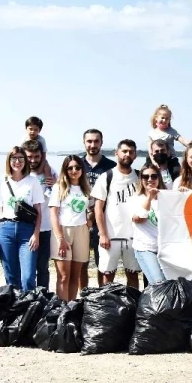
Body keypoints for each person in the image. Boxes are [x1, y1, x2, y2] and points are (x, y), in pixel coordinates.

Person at [0, 146, 45, 291]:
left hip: (27, 230)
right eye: (14, 158)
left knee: (28, 276)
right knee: (11, 276)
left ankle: (29, 306)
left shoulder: (32, 182)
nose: (17, 161)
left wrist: (36, 234)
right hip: (6, 229)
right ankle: (15, 309)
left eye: (21, 158)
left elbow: (38, 210)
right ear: (9, 161)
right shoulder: (0, 183)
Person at [91, 140, 141, 289]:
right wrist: (102, 234)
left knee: (132, 274)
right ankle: (107, 307)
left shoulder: (139, 176)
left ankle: (132, 305)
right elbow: (98, 208)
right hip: (111, 235)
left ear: (135, 155)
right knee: (108, 274)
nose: (127, 154)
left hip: (134, 236)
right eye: (124, 151)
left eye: (131, 152)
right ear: (116, 153)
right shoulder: (107, 177)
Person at [49, 155, 92, 302]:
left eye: (77, 167)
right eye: (70, 168)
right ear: (65, 170)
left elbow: (90, 209)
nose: (74, 171)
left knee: (76, 275)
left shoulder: (86, 188)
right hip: (63, 231)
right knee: (63, 276)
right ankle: (62, 309)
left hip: (81, 230)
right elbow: (53, 214)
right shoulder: (58, 187)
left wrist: (90, 219)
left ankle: (71, 308)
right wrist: (60, 238)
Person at [77, 128, 115, 285]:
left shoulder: (111, 166)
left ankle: (101, 298)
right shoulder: (76, 164)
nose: (93, 144)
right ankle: (84, 296)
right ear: (84, 142)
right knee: (81, 263)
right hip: (80, 220)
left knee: (103, 264)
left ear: (101, 142)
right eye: (89, 141)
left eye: (96, 141)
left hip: (103, 221)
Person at [23, 139, 55, 290]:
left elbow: (61, 195)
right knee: (26, 270)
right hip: (25, 227)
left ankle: (43, 298)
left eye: (36, 156)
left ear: (41, 156)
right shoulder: (20, 174)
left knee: (42, 268)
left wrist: (55, 185)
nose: (33, 160)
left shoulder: (51, 172)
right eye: (29, 157)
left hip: (45, 228)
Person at [129, 164, 167, 286]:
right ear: (141, 179)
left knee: (169, 284)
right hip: (145, 248)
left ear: (159, 178)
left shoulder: (167, 197)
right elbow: (139, 219)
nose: (150, 179)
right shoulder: (135, 198)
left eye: (154, 176)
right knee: (158, 282)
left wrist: (183, 192)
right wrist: (149, 198)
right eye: (146, 177)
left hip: (164, 249)